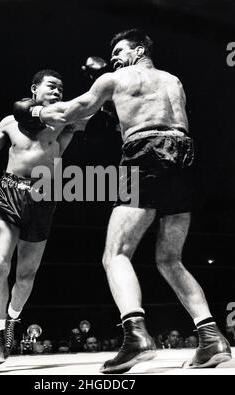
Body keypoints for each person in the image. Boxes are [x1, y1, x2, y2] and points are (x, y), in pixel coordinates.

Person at [32, 29, 232, 373]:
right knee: (171, 259)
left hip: (145, 154)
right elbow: (153, 115)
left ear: (140, 49)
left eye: (120, 50)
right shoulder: (174, 81)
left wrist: (34, 111)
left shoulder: (114, 78)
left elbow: (71, 111)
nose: (114, 57)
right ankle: (212, 337)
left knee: (115, 254)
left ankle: (136, 335)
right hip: (184, 157)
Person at [0, 69, 83, 368]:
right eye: (52, 86)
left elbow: (87, 110)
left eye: (61, 88)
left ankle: (12, 318)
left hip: (43, 196)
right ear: (34, 89)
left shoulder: (64, 121)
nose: (57, 92)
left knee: (26, 275)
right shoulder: (9, 122)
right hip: (8, 192)